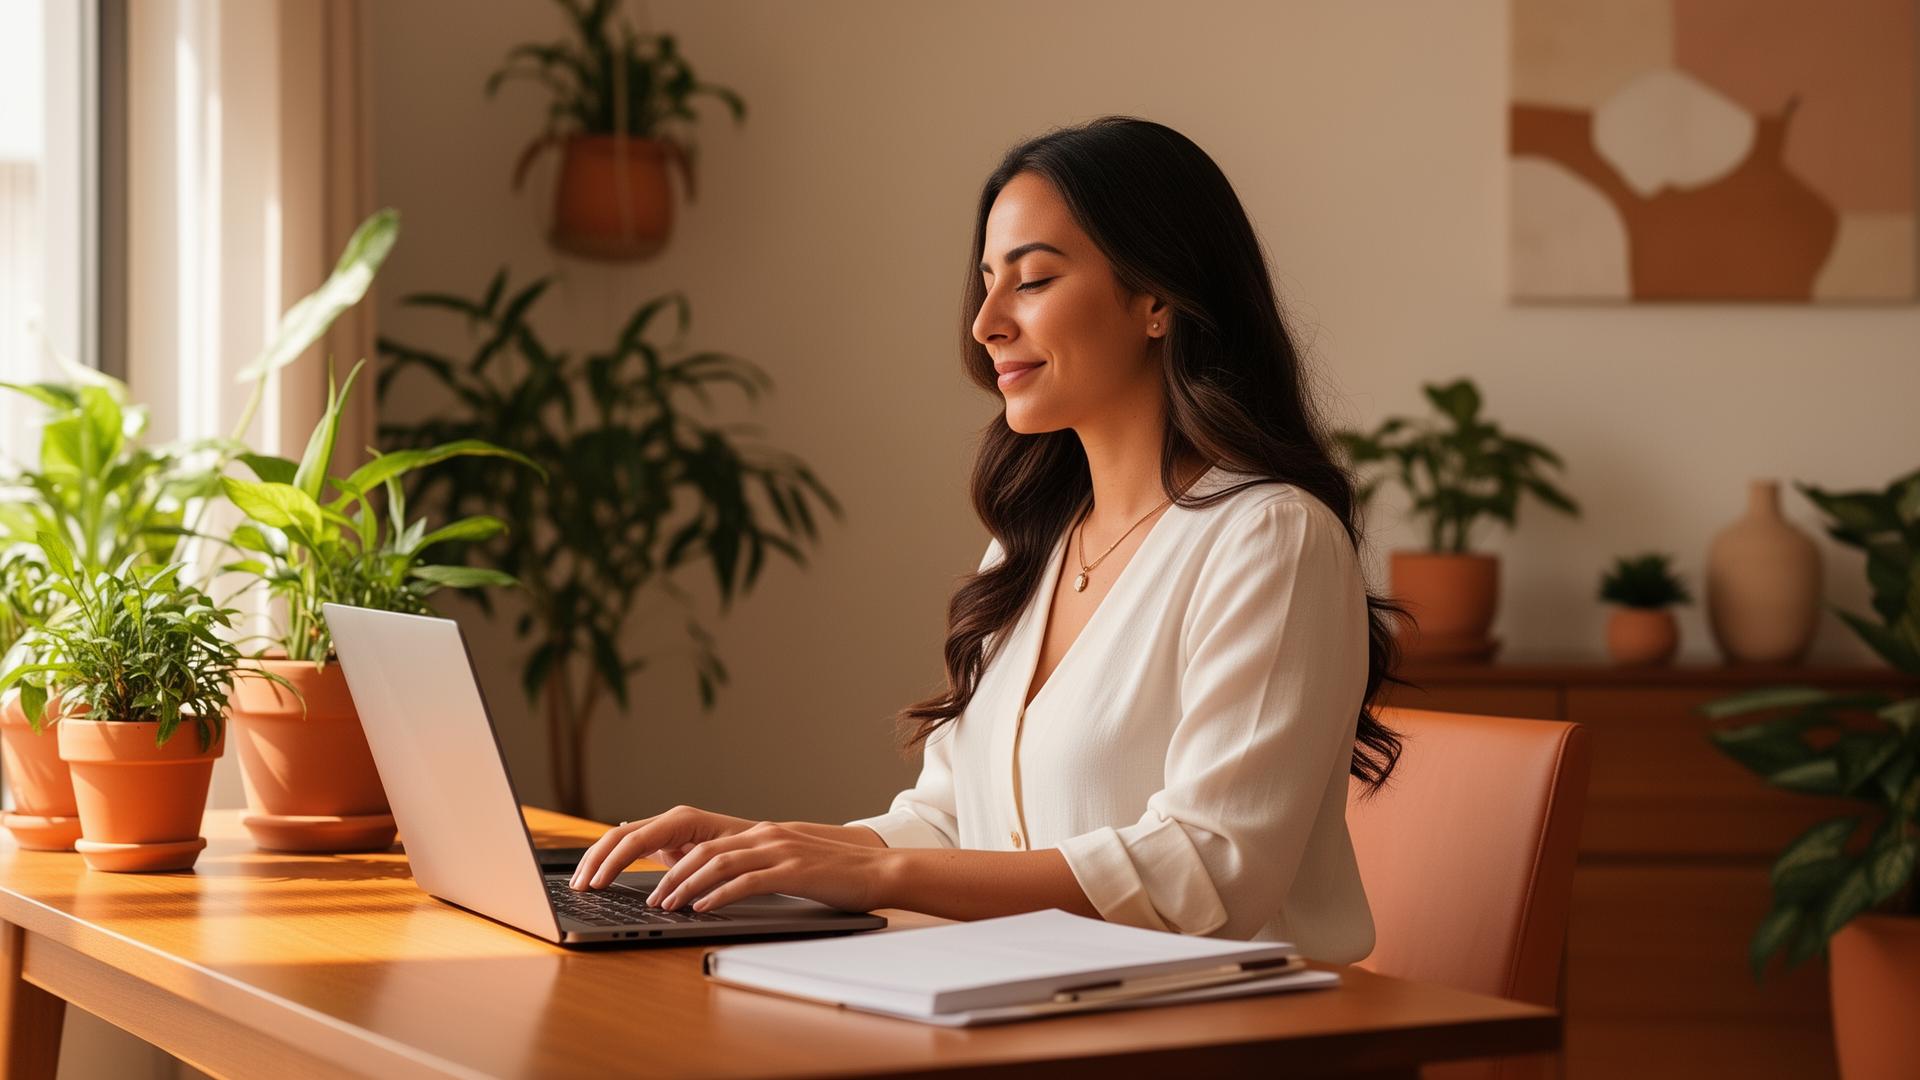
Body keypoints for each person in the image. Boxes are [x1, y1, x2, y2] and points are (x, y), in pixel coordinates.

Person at [568, 115, 1403, 962]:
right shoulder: (1030, 546)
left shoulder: (1270, 537)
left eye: (1032, 280)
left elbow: (1212, 870)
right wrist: (769, 851)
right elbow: (951, 821)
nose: (986, 323)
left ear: (1158, 300)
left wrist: (881, 880)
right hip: (1038, 999)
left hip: (1225, 1035)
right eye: (986, 284)